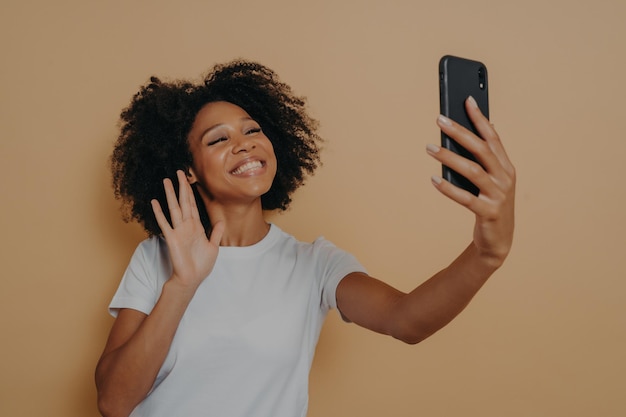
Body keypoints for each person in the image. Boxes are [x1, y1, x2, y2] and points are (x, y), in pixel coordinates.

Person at [95, 60, 515, 417]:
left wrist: (486, 255)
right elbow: (114, 402)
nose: (244, 145)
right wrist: (182, 286)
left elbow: (405, 320)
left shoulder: (314, 263)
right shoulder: (156, 259)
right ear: (188, 170)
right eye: (219, 139)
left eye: (253, 130)